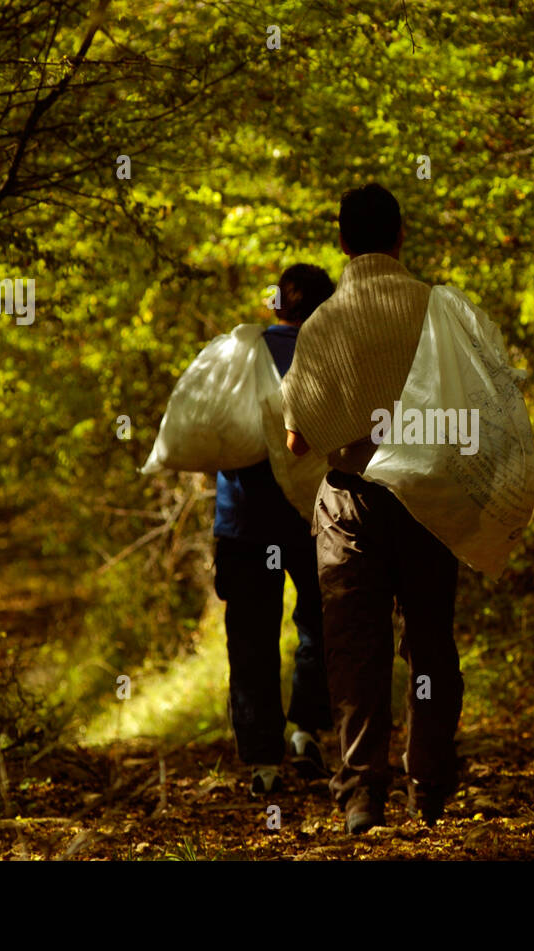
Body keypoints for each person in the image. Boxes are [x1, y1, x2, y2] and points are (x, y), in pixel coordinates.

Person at [281, 184, 463, 833]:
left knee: (355, 648)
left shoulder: (326, 320)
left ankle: (363, 792)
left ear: (341, 243)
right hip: (425, 495)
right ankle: (430, 781)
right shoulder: (438, 310)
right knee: (430, 643)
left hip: (351, 500)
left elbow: (299, 436)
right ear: (400, 236)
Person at [213, 263, 336, 797]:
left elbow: (210, 431)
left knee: (251, 639)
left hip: (242, 521)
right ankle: (306, 730)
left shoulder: (240, 353)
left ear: (284, 298)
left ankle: (262, 761)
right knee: (321, 623)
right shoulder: (331, 356)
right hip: (312, 518)